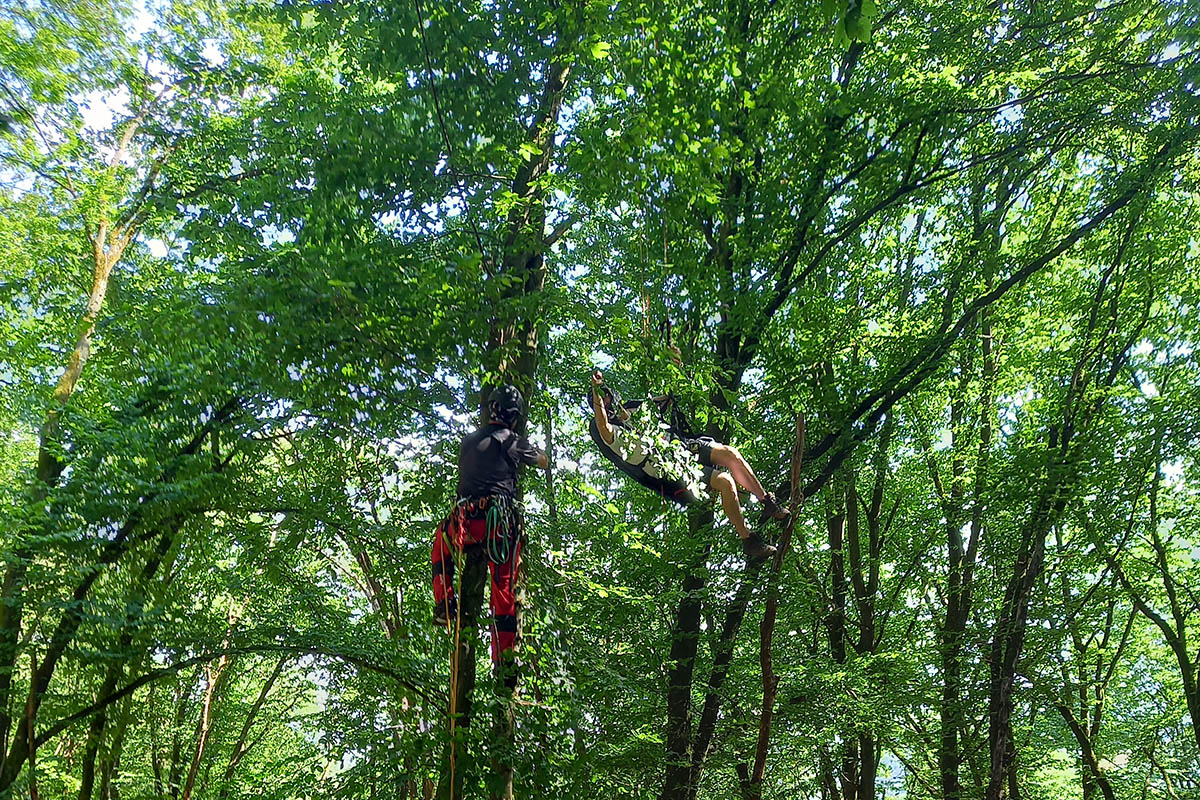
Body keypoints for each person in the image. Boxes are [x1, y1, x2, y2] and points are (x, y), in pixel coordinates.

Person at [589, 370, 786, 561]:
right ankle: (748, 539)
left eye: (606, 397)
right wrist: (596, 392)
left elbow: (667, 396)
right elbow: (603, 426)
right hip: (671, 467)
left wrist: (675, 363)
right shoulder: (613, 435)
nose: (607, 402)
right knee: (725, 482)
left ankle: (767, 501)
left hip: (683, 446)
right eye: (603, 402)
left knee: (730, 453)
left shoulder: (637, 408)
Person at [430, 384, 548, 686]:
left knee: (439, 545)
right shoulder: (512, 441)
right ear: (513, 416)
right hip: (498, 528)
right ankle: (504, 663)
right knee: (504, 593)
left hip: (465, 526)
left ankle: (445, 603)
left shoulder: (468, 441)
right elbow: (542, 460)